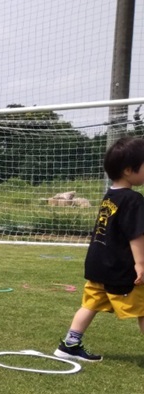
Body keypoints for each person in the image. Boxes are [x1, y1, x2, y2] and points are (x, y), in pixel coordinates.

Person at [54, 137, 144, 363]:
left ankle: (69, 345)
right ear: (128, 170)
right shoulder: (133, 199)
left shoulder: (109, 195)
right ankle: (70, 345)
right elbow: (136, 235)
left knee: (90, 304)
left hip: (98, 264)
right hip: (119, 268)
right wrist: (140, 264)